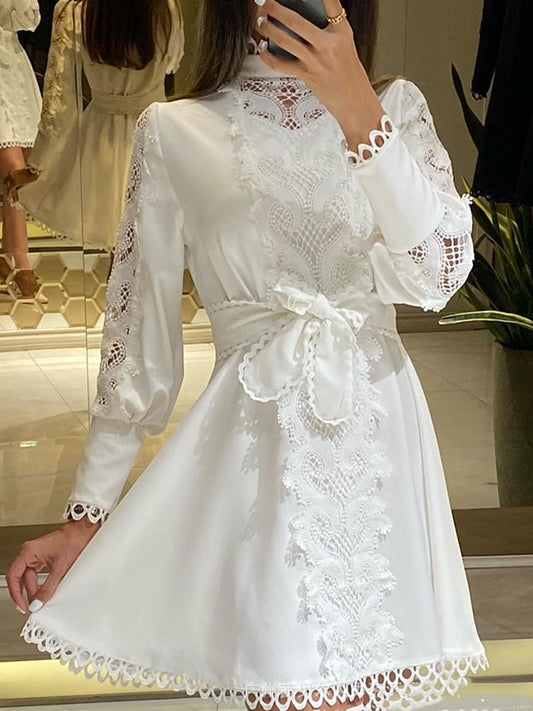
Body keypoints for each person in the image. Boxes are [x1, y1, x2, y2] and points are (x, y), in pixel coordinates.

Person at [7, 1, 489, 709]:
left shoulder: (395, 108)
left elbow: (436, 276)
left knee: (374, 682)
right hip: (260, 446)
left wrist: (356, 107)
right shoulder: (174, 130)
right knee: (280, 672)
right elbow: (137, 345)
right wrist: (87, 513)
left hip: (380, 435)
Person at [5, 0, 185, 253]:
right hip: (156, 134)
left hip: (102, 142)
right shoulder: (167, 7)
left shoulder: (74, 11)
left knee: (122, 249)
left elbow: (60, 104)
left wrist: (36, 168)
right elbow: (172, 62)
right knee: (150, 250)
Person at [0, 0, 42, 298]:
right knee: (16, 171)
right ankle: (23, 269)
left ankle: (9, 262)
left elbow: (29, 21)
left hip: (13, 68)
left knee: (21, 174)